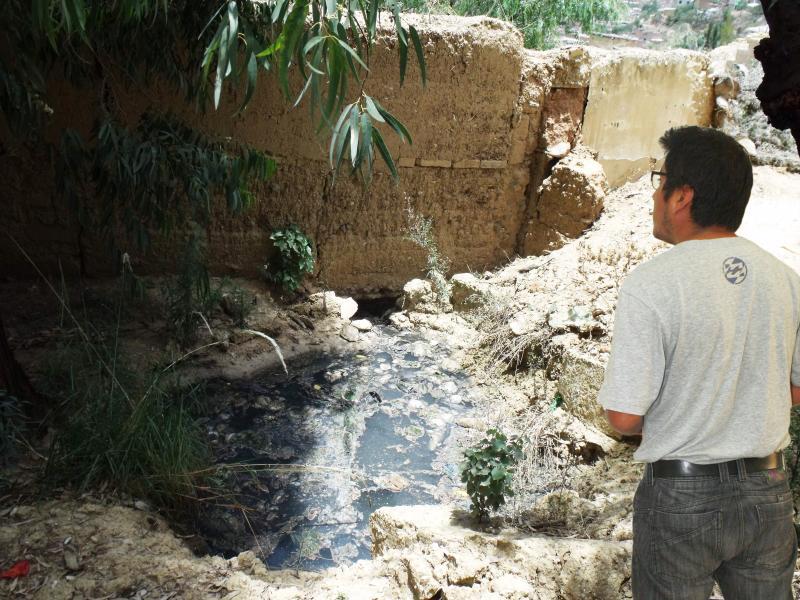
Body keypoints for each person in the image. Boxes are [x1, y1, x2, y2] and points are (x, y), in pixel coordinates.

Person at [598, 125, 800, 599]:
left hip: (680, 497)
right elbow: (795, 389)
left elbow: (624, 417)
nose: (654, 193)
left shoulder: (651, 284)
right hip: (768, 492)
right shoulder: (786, 280)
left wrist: (689, 414)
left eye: (659, 178)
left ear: (681, 196)